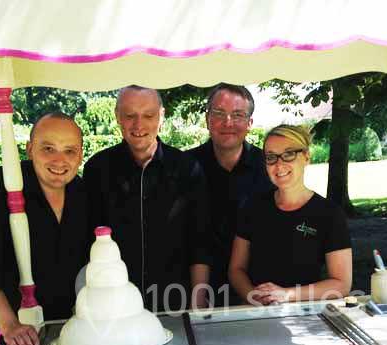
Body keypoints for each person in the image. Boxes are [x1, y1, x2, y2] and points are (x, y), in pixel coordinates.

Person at [0, 112, 91, 345]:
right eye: (48, 148)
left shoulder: (83, 193)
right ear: (30, 149)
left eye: (70, 150)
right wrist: (9, 325)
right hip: (20, 334)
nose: (59, 160)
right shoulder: (1, 186)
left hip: (75, 329)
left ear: (81, 155)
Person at [82, 86, 211, 312]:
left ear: (162, 116)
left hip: (174, 300)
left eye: (148, 115)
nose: (138, 125)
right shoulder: (97, 168)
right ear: (117, 117)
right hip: (114, 304)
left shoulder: (187, 168)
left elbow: (199, 241)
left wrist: (198, 303)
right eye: (130, 115)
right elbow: (87, 240)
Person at [228, 124, 352, 305]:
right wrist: (253, 297)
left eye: (288, 154)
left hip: (305, 316)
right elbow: (236, 269)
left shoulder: (329, 214)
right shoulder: (253, 207)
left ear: (306, 157)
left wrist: (287, 295)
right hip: (256, 313)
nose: (279, 164)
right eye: (271, 157)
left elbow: (342, 284)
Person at [187, 84, 273, 305]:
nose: (228, 123)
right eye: (218, 113)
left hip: (259, 288)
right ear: (207, 120)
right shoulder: (183, 167)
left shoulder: (270, 166)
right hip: (194, 289)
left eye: (237, 115)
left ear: (249, 123)